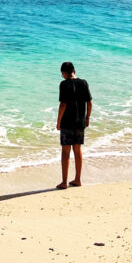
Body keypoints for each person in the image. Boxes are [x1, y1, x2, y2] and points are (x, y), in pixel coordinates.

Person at [56, 61, 92, 190]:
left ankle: (64, 182)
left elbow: (63, 105)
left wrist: (58, 122)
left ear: (64, 73)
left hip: (67, 122)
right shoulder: (84, 83)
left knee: (66, 151)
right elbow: (89, 102)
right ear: (74, 71)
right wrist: (87, 118)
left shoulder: (64, 84)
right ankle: (77, 179)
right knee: (78, 150)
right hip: (80, 122)